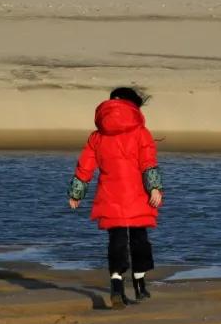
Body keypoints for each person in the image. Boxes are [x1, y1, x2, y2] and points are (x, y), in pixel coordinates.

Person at [67, 87, 164, 309]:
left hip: (110, 196)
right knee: (139, 239)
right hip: (138, 195)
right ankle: (140, 285)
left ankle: (117, 285)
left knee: (117, 242)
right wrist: (155, 188)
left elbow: (85, 166)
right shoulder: (141, 132)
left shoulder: (97, 136)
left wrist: (76, 192)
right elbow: (148, 162)